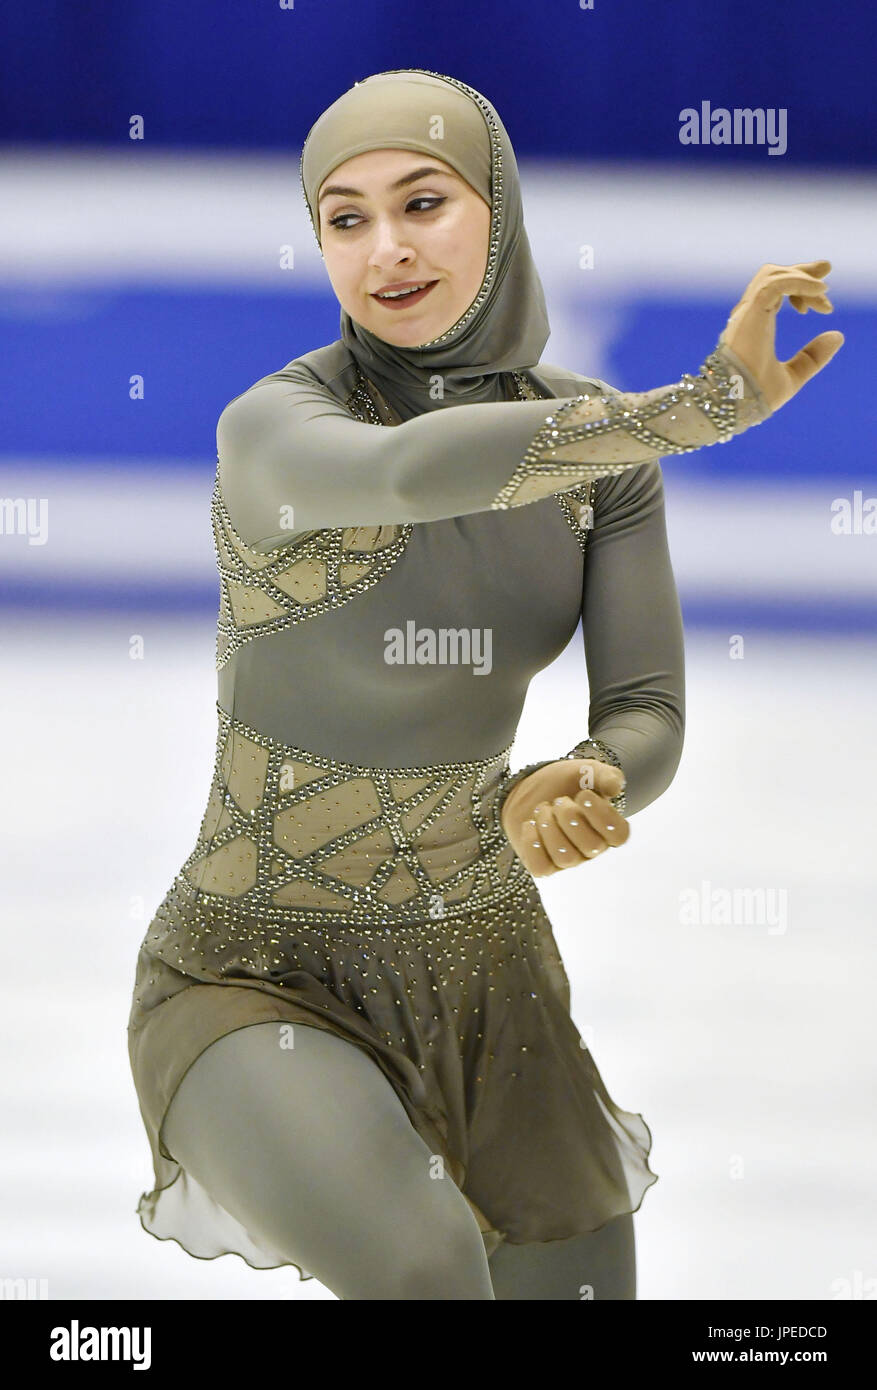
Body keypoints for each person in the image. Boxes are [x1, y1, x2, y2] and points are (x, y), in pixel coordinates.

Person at [126, 68, 842, 1301]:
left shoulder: (599, 454)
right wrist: (692, 410)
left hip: (487, 965)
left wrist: (591, 773)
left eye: (423, 202)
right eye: (345, 220)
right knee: (423, 1274)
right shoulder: (279, 430)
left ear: (498, 214)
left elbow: (649, 708)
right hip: (253, 970)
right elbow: (412, 476)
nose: (386, 250)